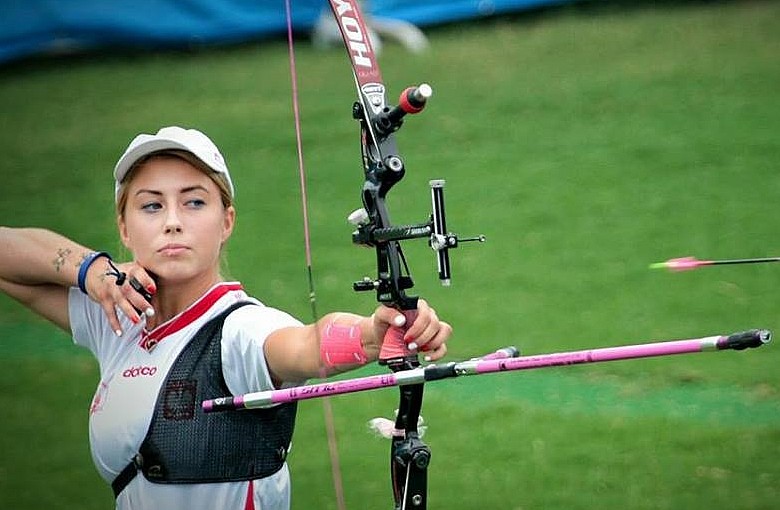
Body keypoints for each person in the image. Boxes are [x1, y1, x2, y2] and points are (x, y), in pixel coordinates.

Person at [0, 126, 452, 510]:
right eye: (151, 205)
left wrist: (372, 337)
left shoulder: (238, 329)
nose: (172, 222)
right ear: (125, 227)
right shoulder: (120, 317)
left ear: (227, 221)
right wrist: (91, 270)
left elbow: (299, 346)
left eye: (194, 202)